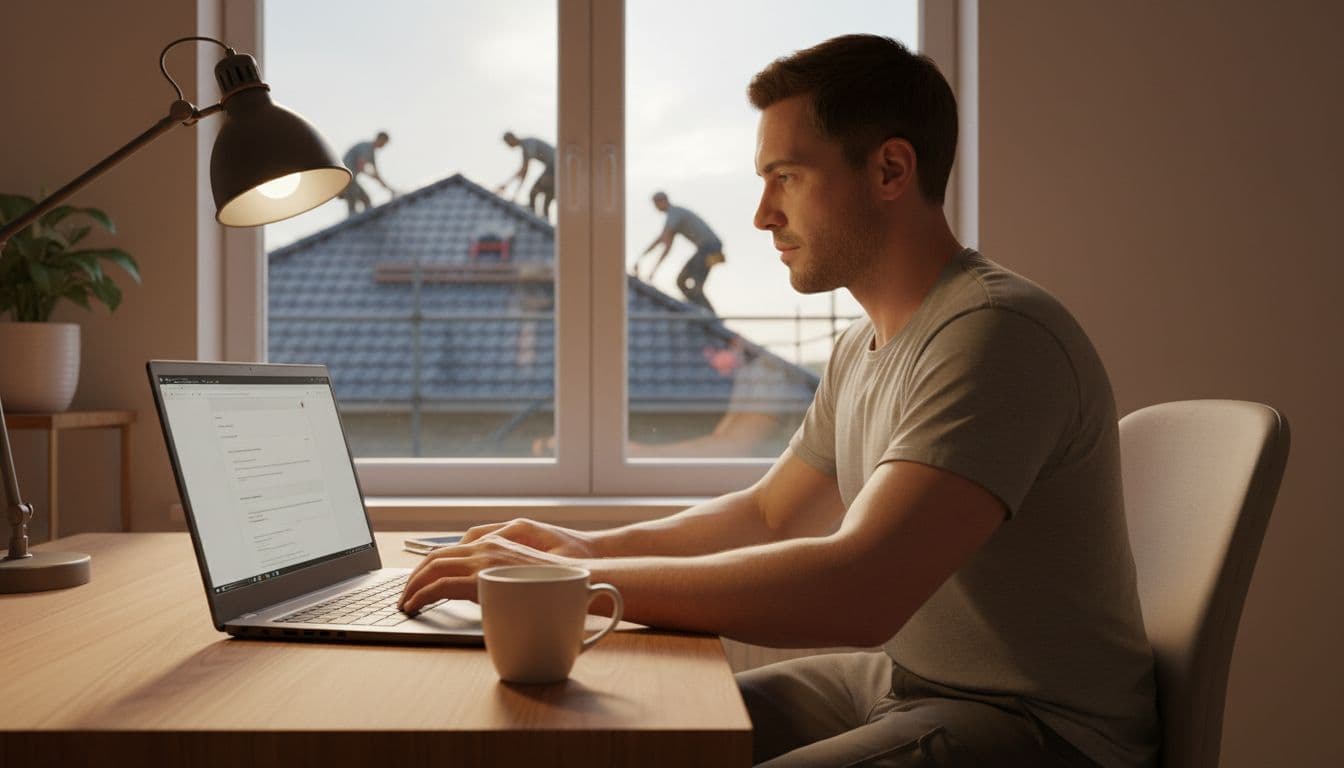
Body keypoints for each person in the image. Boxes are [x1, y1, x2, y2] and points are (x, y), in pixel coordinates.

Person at [400, 34, 1158, 767]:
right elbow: (768, 514)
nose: (762, 214)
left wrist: (580, 587)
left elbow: (862, 590)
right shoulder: (862, 348)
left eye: (786, 176)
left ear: (891, 169)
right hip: (907, 687)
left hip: (1041, 731)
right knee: (643, 741)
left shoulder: (993, 333)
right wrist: (585, 550)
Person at [634, 192, 725, 313]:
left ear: (661, 201)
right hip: (711, 248)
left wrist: (652, 270)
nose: (656, 208)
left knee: (691, 284)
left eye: (656, 205)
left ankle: (707, 315)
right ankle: (703, 313)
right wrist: (643, 258)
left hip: (709, 248)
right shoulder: (675, 214)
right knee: (686, 283)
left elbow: (665, 243)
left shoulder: (674, 214)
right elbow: (663, 240)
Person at [495, 131, 556, 220]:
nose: (509, 146)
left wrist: (514, 192)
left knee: (533, 193)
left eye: (508, 143)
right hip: (558, 168)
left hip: (554, 166)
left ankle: (534, 218)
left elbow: (525, 170)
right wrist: (509, 187)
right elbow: (523, 172)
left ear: (512, 138)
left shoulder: (527, 144)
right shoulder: (526, 145)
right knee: (547, 197)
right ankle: (545, 223)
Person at [338, 131, 394, 216]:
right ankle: (353, 224)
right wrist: (372, 176)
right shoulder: (366, 147)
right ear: (379, 139)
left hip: (350, 179)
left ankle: (365, 223)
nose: (383, 146)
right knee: (354, 200)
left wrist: (389, 189)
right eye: (384, 143)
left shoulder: (371, 153)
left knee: (366, 199)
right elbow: (361, 165)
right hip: (346, 179)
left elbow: (376, 174)